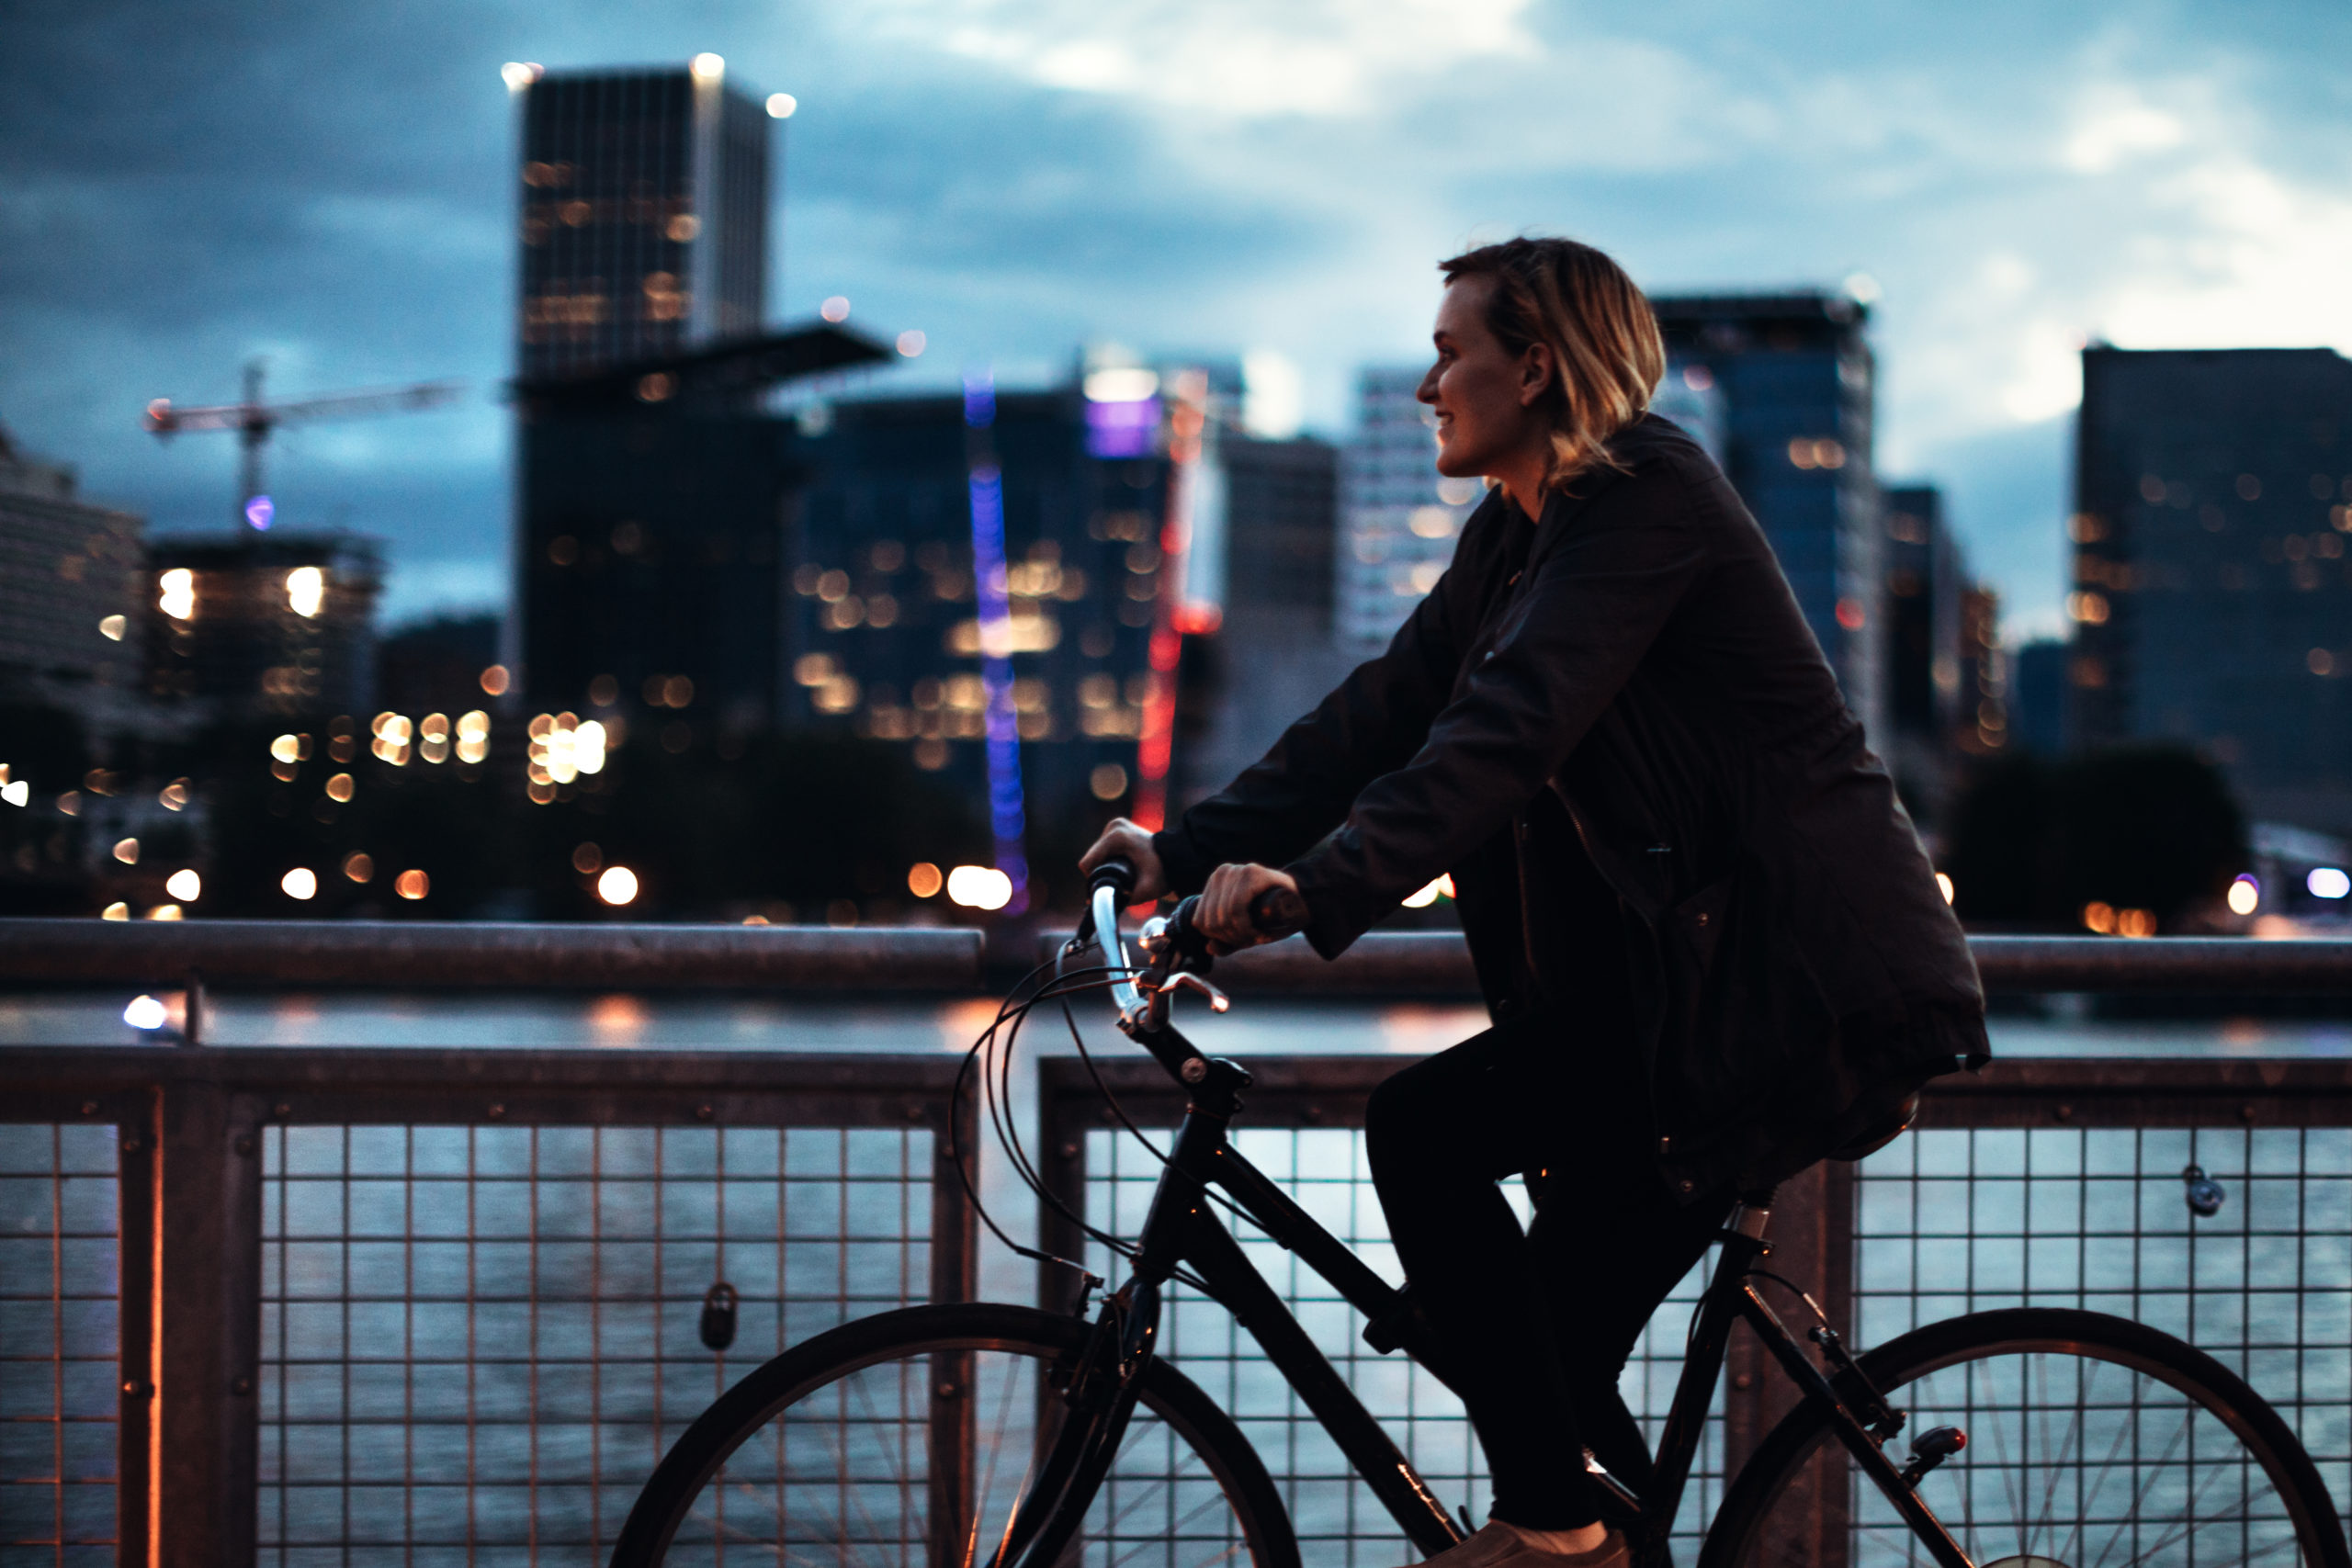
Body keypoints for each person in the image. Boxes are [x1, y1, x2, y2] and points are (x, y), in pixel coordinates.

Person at [1080, 237, 1987, 1568]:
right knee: (1530, 1367)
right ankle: (1572, 1527)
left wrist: (1315, 886)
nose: (1429, 385)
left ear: (1539, 366)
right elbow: (1381, 715)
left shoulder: (1647, 497)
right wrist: (1186, 846)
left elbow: (1510, 731)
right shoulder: (1516, 533)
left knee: (1427, 1135)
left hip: (1787, 994)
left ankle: (1557, 1538)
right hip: (1678, 996)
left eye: (1452, 352)